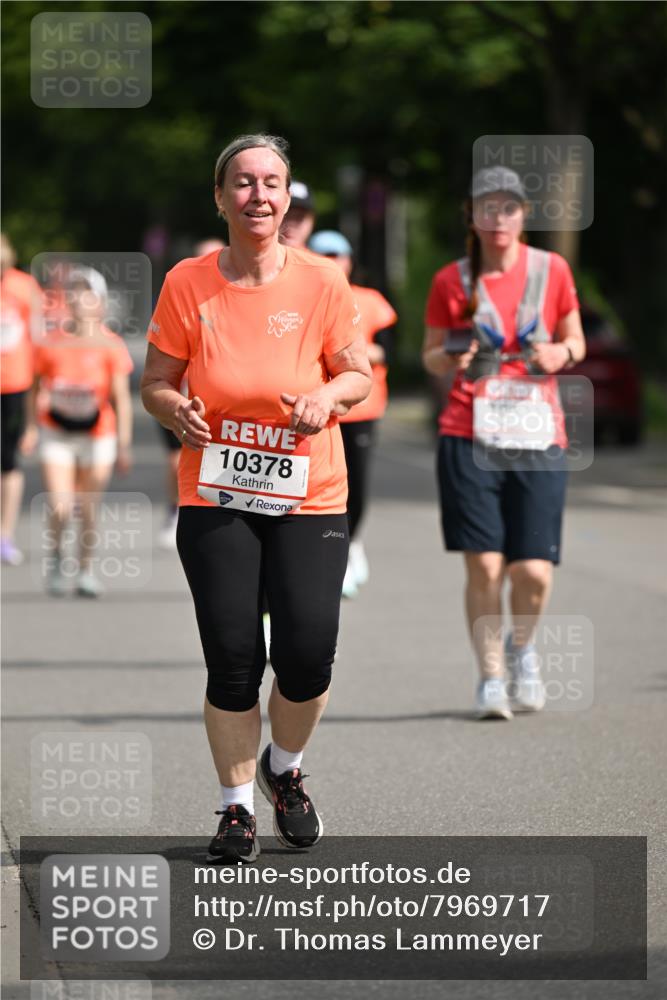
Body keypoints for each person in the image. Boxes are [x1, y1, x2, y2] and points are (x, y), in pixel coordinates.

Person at [141, 134, 371, 864]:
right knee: (234, 656)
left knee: (308, 654)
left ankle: (284, 768)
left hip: (310, 492)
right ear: (220, 197)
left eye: (272, 182)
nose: (259, 196)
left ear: (287, 194)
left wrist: (326, 398)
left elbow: (358, 374)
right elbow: (155, 383)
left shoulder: (322, 280)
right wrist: (174, 410)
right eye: (243, 183)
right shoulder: (187, 282)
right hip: (216, 489)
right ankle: (236, 805)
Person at [422, 167, 585, 720]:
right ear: (471, 216)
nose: (498, 218)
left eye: (508, 207)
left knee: (533, 571)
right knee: (486, 566)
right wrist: (449, 357)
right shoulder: (451, 280)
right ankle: (491, 677)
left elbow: (575, 340)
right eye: (486, 207)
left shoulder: (552, 269)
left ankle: (522, 649)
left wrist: (561, 353)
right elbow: (430, 354)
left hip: (538, 436)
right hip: (469, 433)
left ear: (523, 214)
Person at [28, 266, 133, 596]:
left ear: (99, 302)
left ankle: (85, 570)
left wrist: (124, 444)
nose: (77, 299)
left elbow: (120, 399)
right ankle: (57, 559)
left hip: (98, 434)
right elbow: (34, 387)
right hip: (56, 432)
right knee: (61, 504)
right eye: (73, 293)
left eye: (86, 293)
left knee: (88, 506)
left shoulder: (111, 344)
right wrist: (30, 427)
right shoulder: (51, 342)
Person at [309, 230, 397, 597]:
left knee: (355, 488)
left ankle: (351, 541)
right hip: (313, 411)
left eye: (337, 255)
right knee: (317, 488)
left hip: (361, 409)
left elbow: (387, 350)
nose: (331, 261)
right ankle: (330, 554)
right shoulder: (302, 297)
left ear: (349, 261)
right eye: (322, 254)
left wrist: (348, 350)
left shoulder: (371, 301)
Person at [158, 238, 227, 550]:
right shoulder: (183, 290)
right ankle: (176, 508)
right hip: (184, 399)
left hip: (226, 410)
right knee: (176, 458)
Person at [0, 234, 41, 565]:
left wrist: (32, 421)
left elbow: (40, 341)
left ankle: (5, 534)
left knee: (8, 461)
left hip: (14, 386)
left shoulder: (25, 287)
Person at [279, 180, 316, 248]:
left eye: (299, 217)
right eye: (285, 215)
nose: (291, 223)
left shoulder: (321, 255)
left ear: (312, 221)